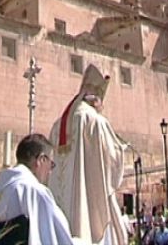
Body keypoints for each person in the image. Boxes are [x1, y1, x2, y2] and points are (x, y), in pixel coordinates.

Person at [49, 64, 129, 245]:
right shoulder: (96, 121)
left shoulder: (57, 126)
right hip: (90, 200)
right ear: (96, 99)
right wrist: (121, 150)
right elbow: (111, 164)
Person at [0, 133, 77, 245]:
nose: (50, 172)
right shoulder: (34, 192)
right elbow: (60, 238)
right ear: (41, 160)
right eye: (51, 164)